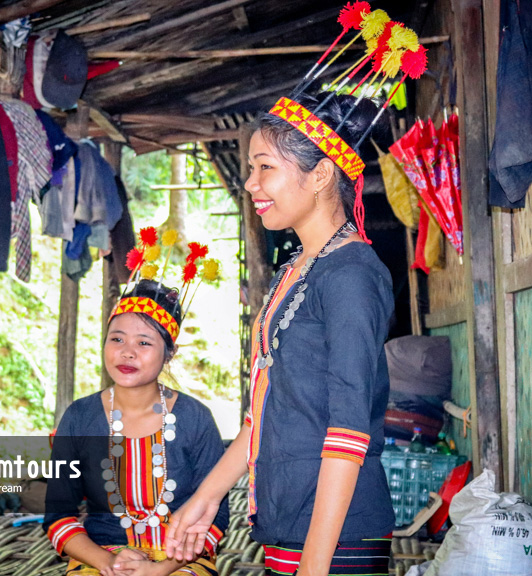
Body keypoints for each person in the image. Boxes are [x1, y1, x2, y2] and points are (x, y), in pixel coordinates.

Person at [165, 90, 396, 576]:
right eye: (251, 168)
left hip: (334, 537)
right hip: (288, 518)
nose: (250, 183)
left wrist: (314, 564)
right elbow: (263, 415)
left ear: (320, 174)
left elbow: (349, 430)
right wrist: (206, 499)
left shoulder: (351, 274)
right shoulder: (296, 269)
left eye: (264, 166)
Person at [44, 278, 229, 576]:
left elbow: (216, 518)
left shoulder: (196, 419)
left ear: (170, 352)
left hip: (179, 561)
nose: (127, 352)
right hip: (101, 557)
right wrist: (108, 563)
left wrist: (159, 570)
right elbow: (58, 515)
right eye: (117, 339)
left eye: (144, 342)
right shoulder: (80, 417)